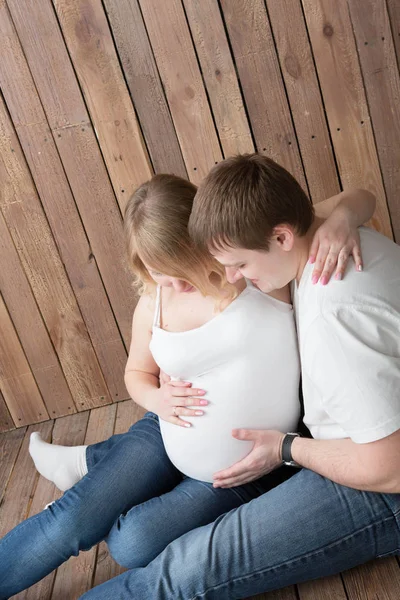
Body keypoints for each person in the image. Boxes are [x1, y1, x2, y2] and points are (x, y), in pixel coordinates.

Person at [0, 173, 373, 599]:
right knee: (70, 519)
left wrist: (342, 219)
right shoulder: (153, 302)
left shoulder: (254, 268)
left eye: (178, 268)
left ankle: (91, 467)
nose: (173, 284)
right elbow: (135, 374)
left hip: (240, 469)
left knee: (131, 542)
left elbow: (358, 197)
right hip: (162, 429)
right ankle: (90, 488)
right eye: (158, 272)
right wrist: (156, 397)